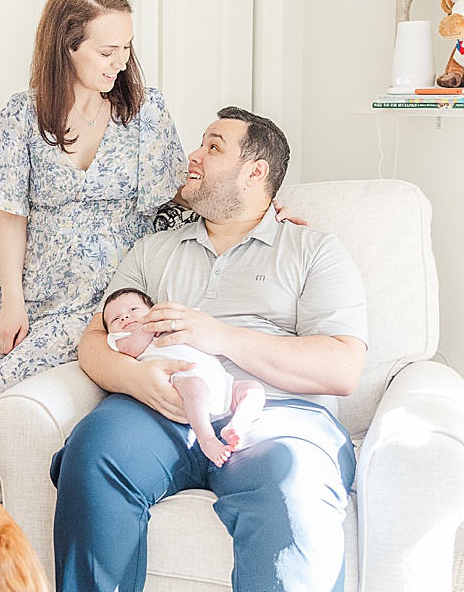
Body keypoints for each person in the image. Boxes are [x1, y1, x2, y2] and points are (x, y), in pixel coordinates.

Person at [50, 107, 369, 592]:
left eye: (213, 147)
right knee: (93, 450)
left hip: (275, 415)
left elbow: (344, 367)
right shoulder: (153, 252)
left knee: (294, 483)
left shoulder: (313, 250)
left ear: (255, 172)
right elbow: (94, 341)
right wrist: (137, 381)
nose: (193, 156)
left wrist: (217, 335)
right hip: (158, 410)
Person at [0, 0, 187, 497]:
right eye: (106, 50)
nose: (120, 62)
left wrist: (258, 208)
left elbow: (177, 195)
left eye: (127, 48)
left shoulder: (145, 112)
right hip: (37, 292)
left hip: (109, 296)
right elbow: (10, 213)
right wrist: (12, 303)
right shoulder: (23, 116)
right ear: (66, 47)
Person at [101, 287, 265, 467]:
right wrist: (148, 327)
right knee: (196, 387)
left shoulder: (172, 320)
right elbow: (130, 349)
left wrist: (166, 319)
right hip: (181, 383)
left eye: (133, 310)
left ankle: (236, 426)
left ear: (153, 310)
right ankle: (207, 439)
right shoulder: (122, 337)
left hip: (222, 383)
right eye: (115, 319)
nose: (124, 317)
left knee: (253, 389)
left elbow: (198, 326)